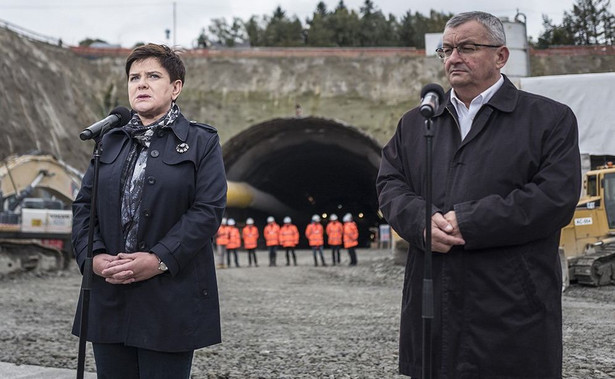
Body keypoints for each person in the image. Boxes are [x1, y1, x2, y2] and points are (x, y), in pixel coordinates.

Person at [376, 11, 581, 378]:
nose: (454, 58)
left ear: (501, 56)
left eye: (467, 47)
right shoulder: (417, 123)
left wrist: (469, 221)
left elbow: (554, 198)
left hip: (511, 309)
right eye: (447, 49)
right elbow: (390, 184)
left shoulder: (548, 119)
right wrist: (420, 222)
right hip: (433, 306)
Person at [71, 43, 227, 378]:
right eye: (134, 77)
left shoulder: (202, 142)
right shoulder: (109, 140)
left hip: (169, 298)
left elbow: (207, 210)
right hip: (109, 294)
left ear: (176, 87)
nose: (141, 83)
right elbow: (84, 206)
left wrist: (157, 259)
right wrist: (93, 258)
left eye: (153, 76)